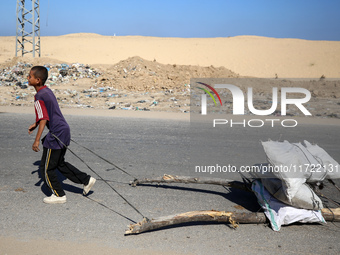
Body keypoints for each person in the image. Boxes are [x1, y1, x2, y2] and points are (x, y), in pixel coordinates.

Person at [28, 66, 96, 204]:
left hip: (56, 134)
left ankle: (59, 195)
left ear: (38, 80)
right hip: (64, 130)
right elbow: (47, 113)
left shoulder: (39, 96)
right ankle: (86, 180)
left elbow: (44, 119)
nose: (27, 78)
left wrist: (36, 140)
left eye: (30, 76)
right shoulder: (47, 91)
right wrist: (35, 124)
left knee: (46, 169)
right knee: (59, 163)